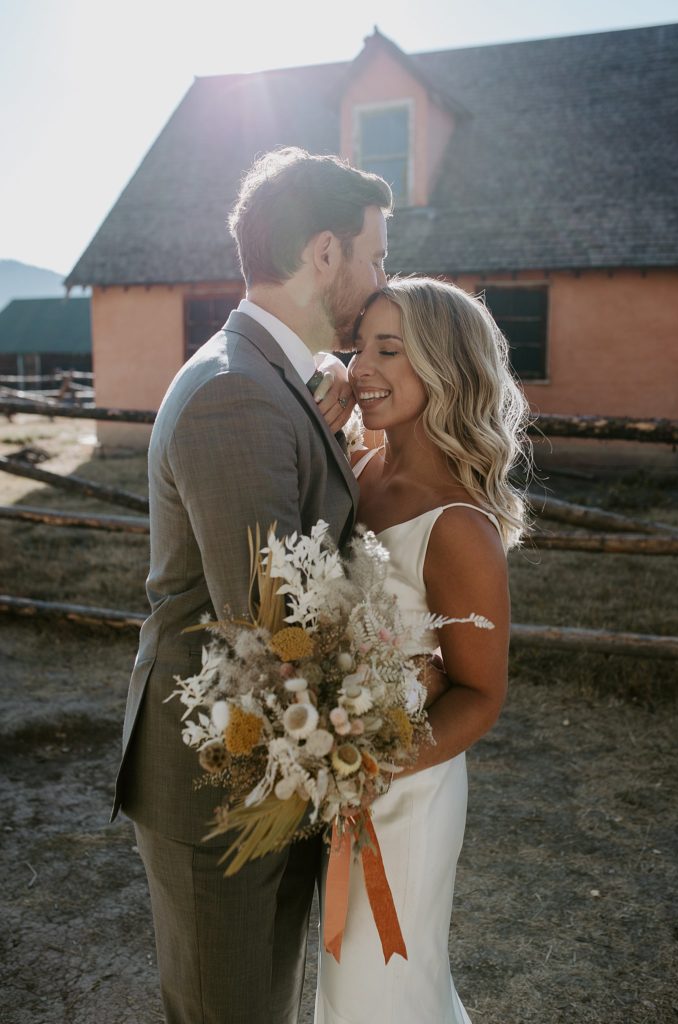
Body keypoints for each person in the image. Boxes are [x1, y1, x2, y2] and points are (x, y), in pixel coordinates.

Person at [112, 147, 392, 1024]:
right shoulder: (236, 394)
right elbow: (273, 621)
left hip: (266, 763)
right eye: (374, 255)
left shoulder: (275, 385)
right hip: (216, 785)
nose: (381, 277)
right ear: (322, 254)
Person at [315, 277, 530, 1023]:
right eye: (359, 346)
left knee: (384, 992)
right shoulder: (359, 471)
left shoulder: (460, 529)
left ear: (444, 366)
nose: (360, 367)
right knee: (345, 991)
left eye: (388, 350)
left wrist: (370, 766)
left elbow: (478, 695)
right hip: (337, 779)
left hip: (404, 793)